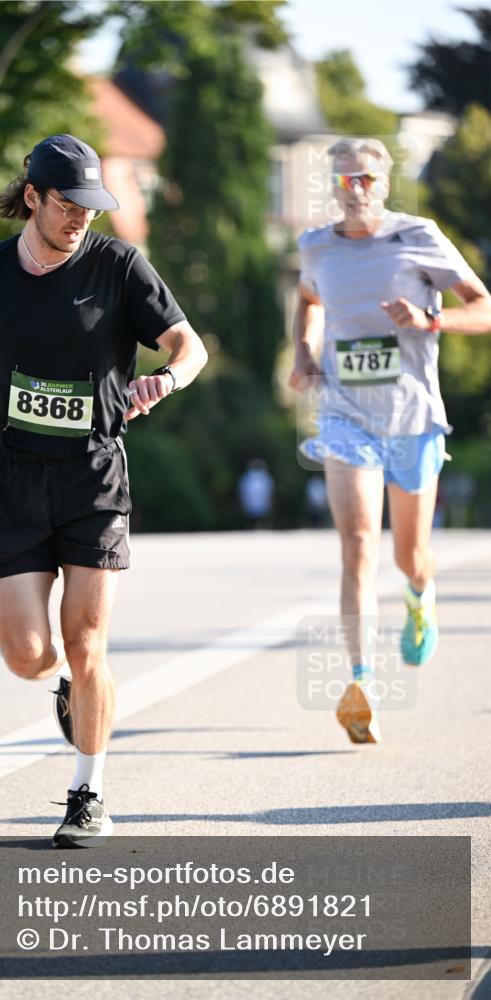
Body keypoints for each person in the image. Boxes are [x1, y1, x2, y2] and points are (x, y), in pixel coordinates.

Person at [0, 134, 207, 845]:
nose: (80, 221)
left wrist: (168, 377)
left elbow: (190, 347)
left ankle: (86, 791)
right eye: (67, 206)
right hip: (13, 477)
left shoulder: (120, 265)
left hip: (93, 472)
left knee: (88, 640)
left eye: (90, 209)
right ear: (32, 197)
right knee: (28, 655)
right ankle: (66, 684)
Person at [289, 137, 491, 745]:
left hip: (413, 418)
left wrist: (430, 320)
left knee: (409, 556)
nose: (358, 190)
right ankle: (362, 681)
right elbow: (307, 300)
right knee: (356, 545)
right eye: (347, 180)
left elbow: (482, 307)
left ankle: (421, 593)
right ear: (333, 185)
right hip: (346, 417)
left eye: (368, 180)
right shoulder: (316, 246)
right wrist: (303, 350)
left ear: (384, 181)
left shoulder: (418, 236)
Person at [237, 459, 274, 528]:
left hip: (252, 504)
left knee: (252, 520)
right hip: (259, 504)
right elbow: (269, 492)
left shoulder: (246, 477)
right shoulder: (265, 477)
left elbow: (242, 492)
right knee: (258, 520)